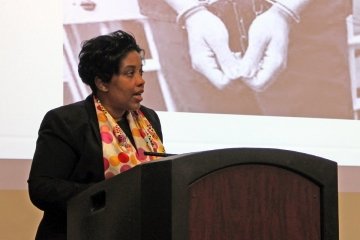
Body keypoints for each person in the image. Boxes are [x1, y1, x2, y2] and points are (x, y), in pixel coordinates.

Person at [28, 30, 166, 240]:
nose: (141, 81)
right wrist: (110, 195)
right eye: (130, 73)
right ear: (102, 83)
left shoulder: (149, 119)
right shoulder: (67, 121)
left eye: (141, 71)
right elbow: (42, 189)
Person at [139, 0, 353, 119]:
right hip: (182, 17)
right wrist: (189, 11)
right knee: (213, 167)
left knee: (319, 159)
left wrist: (286, 9)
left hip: (309, 15)